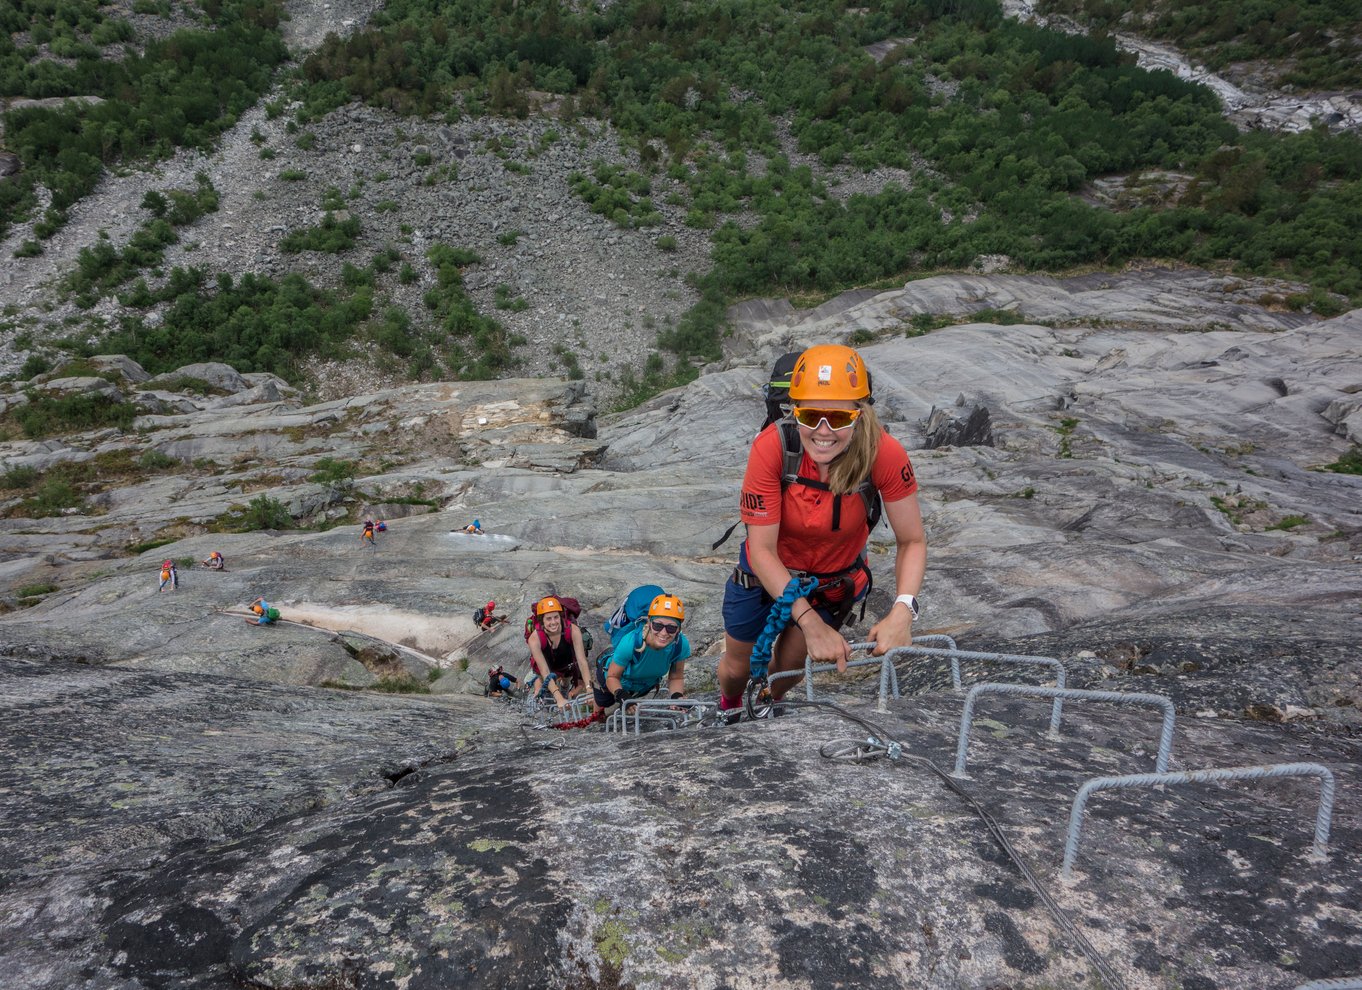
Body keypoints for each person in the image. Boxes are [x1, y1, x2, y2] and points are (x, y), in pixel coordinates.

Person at [716, 343, 927, 718]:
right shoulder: (773, 447)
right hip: (765, 573)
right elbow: (762, 551)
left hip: (828, 584)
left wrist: (903, 610)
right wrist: (809, 622)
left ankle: (761, 709)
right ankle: (729, 707)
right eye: (810, 415)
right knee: (736, 669)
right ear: (794, 412)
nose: (823, 431)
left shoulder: (884, 454)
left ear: (860, 414)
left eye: (838, 418)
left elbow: (911, 540)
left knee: (788, 672)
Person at [594, 593, 690, 709]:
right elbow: (612, 677)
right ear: (649, 623)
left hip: (643, 685)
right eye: (658, 626)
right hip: (610, 678)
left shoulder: (680, 644)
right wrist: (622, 695)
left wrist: (677, 697)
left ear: (679, 628)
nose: (664, 633)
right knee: (604, 704)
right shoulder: (631, 642)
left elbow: (676, 677)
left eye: (671, 628)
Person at [524, 595, 592, 709]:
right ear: (542, 620)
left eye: (556, 617)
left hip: (565, 662)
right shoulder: (534, 639)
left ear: (560, 616)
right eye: (548, 619)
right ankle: (549, 696)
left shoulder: (573, 630)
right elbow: (545, 671)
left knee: (565, 681)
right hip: (546, 664)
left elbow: (582, 661)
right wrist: (558, 698)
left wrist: (589, 688)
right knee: (546, 689)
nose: (553, 622)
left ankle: (564, 689)